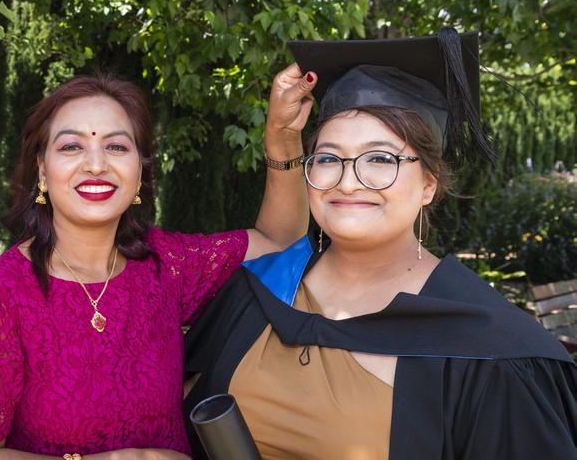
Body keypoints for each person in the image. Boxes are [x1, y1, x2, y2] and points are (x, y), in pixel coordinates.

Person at [183, 28, 577, 460]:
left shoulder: (497, 351)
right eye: (329, 158)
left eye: (380, 159)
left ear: (428, 184)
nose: (348, 182)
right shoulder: (256, 292)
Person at [0, 65, 317, 460]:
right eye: (71, 147)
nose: (96, 164)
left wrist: (283, 138)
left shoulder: (166, 265)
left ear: (138, 173)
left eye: (117, 146)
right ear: (42, 170)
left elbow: (279, 240)